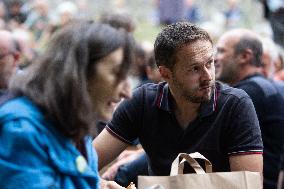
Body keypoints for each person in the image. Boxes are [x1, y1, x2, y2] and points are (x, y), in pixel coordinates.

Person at [93, 22, 263, 177]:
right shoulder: (143, 101)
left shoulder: (235, 104)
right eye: (195, 69)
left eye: (210, 63)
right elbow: (89, 162)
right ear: (165, 73)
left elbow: (249, 183)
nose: (207, 76)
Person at [0, 21, 134, 189]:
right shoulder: (21, 130)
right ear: (78, 72)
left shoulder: (75, 123)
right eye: (116, 74)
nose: (127, 93)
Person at [215, 28, 284, 189]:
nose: (215, 58)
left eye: (221, 51)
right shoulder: (262, 87)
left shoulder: (245, 95)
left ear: (245, 56)